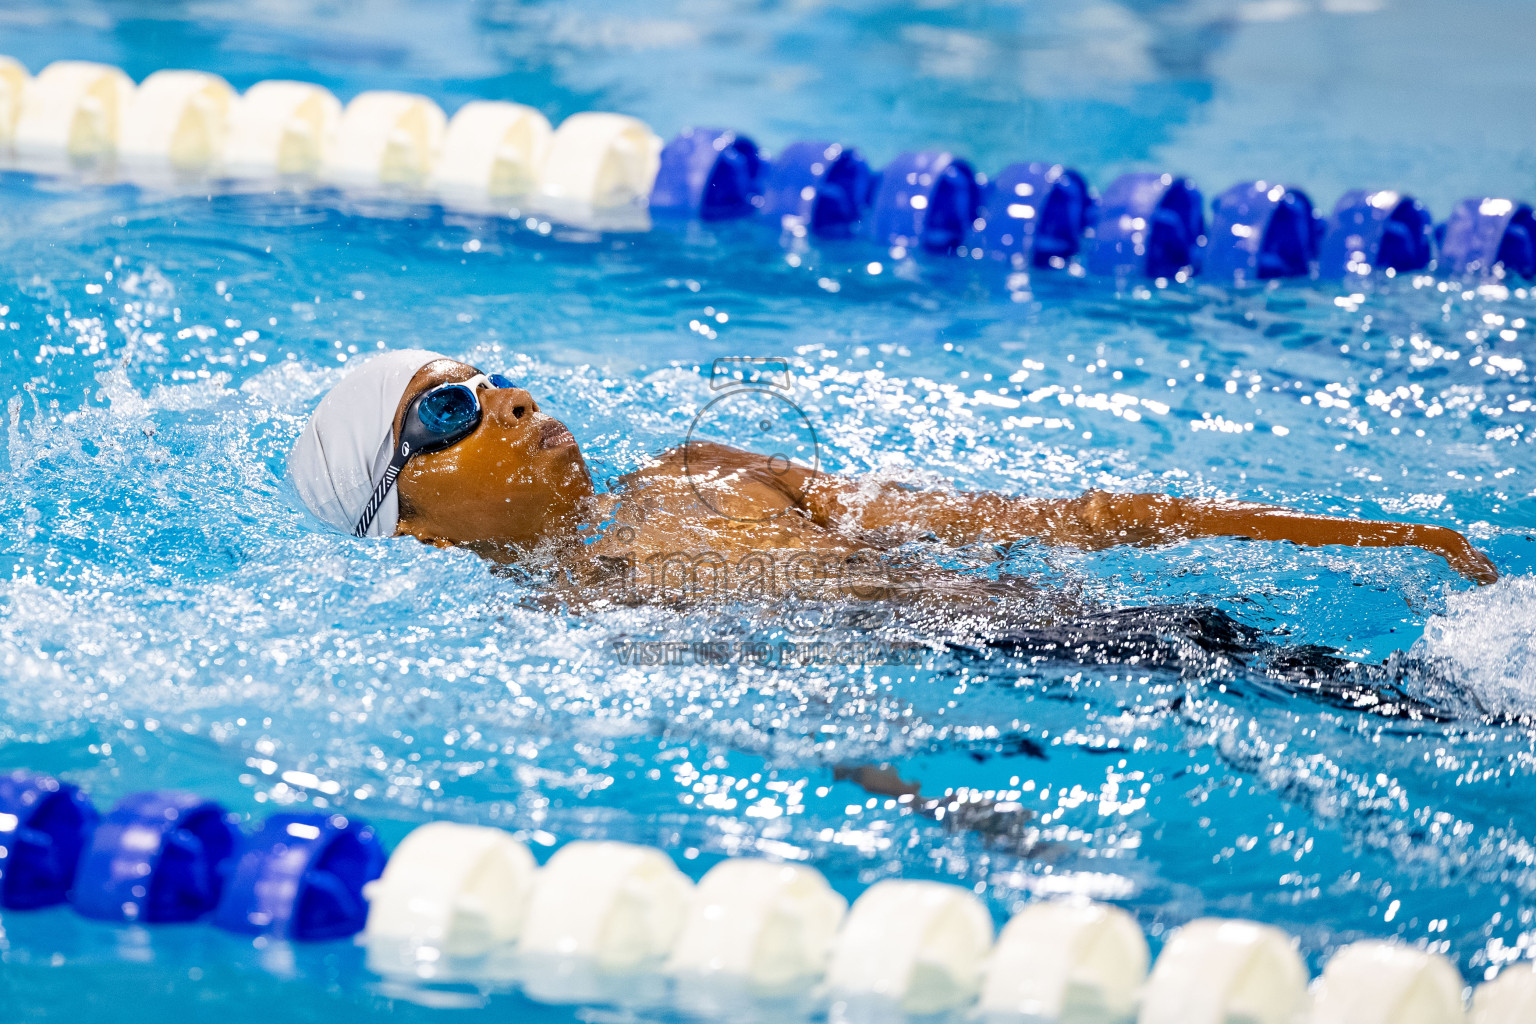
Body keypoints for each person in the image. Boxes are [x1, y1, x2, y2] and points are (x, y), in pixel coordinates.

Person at [288, 350, 1498, 596]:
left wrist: (1374, 535)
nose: (513, 400)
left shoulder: (710, 469)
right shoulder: (572, 624)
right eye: (449, 409)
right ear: (410, 521)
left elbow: (1047, 520)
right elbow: (791, 735)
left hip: (1100, 635)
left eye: (496, 379)